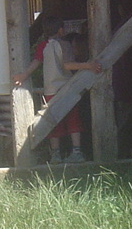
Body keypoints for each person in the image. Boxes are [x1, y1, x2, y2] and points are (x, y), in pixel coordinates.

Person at [39, 14, 101, 163]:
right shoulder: (64, 44)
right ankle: (77, 151)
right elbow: (68, 65)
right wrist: (88, 65)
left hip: (49, 90)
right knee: (73, 119)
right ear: (61, 30)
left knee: (53, 122)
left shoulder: (44, 47)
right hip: (66, 88)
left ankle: (55, 154)